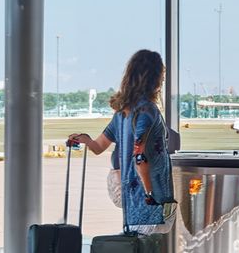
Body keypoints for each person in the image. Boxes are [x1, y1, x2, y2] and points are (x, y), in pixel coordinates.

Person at [70, 49, 174, 234]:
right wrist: (150, 194)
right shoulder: (147, 111)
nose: (163, 81)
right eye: (162, 76)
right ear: (154, 78)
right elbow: (140, 156)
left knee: (134, 242)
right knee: (151, 244)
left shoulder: (122, 113)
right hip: (149, 194)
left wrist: (85, 139)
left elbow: (98, 147)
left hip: (127, 195)